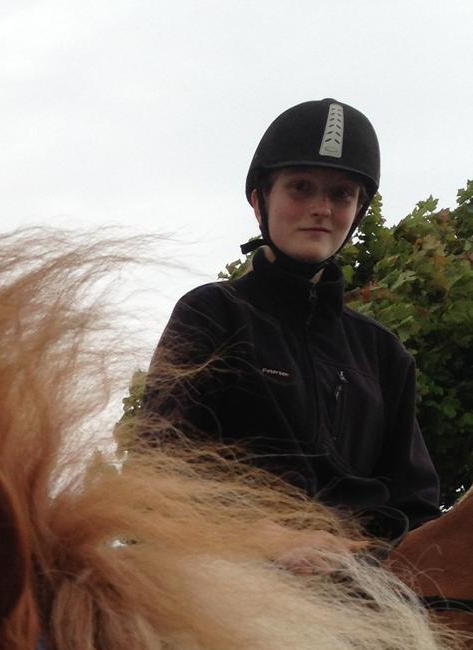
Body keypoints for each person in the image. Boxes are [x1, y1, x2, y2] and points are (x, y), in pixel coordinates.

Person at [141, 98, 441, 550]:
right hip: (226, 577)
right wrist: (262, 538)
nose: (321, 208)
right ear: (259, 199)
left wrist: (372, 559)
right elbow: (158, 465)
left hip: (368, 587)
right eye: (301, 187)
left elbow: (416, 504)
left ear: (357, 210)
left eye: (341, 194)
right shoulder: (212, 314)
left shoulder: (384, 354)